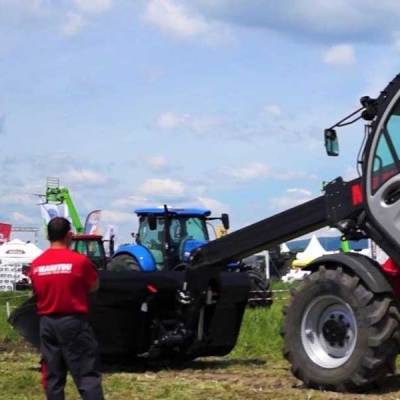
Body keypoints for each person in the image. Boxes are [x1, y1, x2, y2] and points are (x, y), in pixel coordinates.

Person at [30, 217, 104, 400]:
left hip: (47, 324)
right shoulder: (79, 261)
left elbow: (36, 292)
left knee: (53, 376)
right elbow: (94, 286)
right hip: (74, 323)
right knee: (86, 375)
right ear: (69, 235)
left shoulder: (36, 264)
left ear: (48, 235)